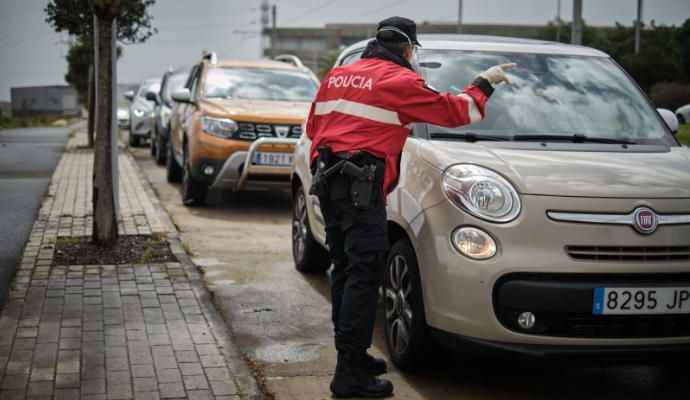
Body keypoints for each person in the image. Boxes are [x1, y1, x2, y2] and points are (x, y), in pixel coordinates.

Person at [305, 16, 515, 398]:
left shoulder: (338, 76)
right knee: (365, 274)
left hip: (330, 182)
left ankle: (352, 354)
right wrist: (485, 82)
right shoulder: (400, 82)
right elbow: (458, 112)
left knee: (345, 270)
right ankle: (348, 372)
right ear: (406, 50)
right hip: (360, 188)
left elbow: (312, 130)